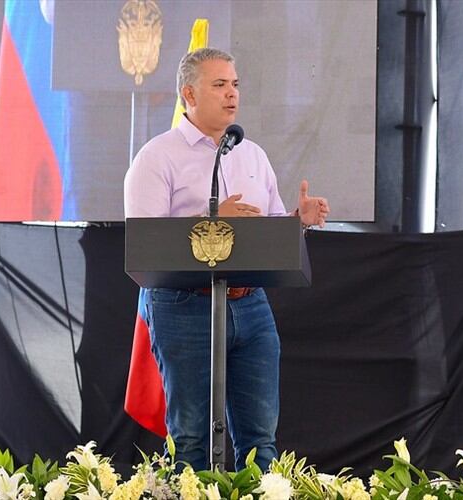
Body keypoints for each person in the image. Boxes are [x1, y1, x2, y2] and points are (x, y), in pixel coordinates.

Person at [123, 47, 330, 471]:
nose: (232, 94)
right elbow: (145, 241)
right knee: (191, 438)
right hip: (183, 307)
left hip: (249, 304)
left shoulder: (251, 154)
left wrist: (296, 221)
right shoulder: (156, 157)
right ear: (189, 94)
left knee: (261, 443)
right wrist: (211, 219)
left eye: (235, 84)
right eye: (219, 85)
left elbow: (268, 232)